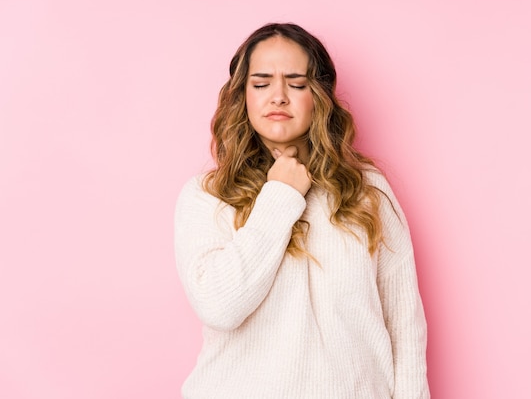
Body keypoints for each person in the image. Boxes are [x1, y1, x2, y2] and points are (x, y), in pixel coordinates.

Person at [174, 22, 430, 399]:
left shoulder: (367, 191)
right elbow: (219, 307)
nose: (278, 96)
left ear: (320, 96)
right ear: (241, 96)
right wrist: (280, 195)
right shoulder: (207, 196)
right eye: (261, 83)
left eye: (296, 83)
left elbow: (404, 324)